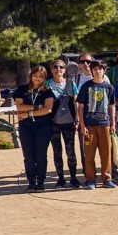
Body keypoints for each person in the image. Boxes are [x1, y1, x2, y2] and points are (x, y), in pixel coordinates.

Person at [76, 60, 117, 189]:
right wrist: (82, 124)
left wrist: (113, 124)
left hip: (105, 124)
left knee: (106, 153)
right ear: (92, 70)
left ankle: (106, 178)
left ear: (104, 71)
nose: (97, 71)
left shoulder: (109, 87)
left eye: (100, 69)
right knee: (89, 154)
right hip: (89, 125)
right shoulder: (86, 86)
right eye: (95, 69)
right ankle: (90, 179)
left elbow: (112, 107)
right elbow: (81, 107)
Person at [14, 65, 55, 192]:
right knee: (29, 156)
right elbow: (19, 107)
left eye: (40, 77)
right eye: (35, 75)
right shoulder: (22, 89)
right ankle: (31, 183)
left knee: (41, 156)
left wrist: (29, 113)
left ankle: (40, 183)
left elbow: (48, 109)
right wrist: (37, 107)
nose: (37, 78)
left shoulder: (47, 91)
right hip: (25, 127)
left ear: (44, 78)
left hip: (43, 127)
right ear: (31, 75)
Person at [47, 59, 81, 188]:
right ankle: (60, 178)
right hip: (53, 124)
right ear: (52, 70)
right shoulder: (47, 85)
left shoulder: (70, 84)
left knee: (70, 151)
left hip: (69, 123)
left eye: (61, 67)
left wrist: (77, 120)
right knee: (57, 151)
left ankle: (73, 178)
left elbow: (76, 103)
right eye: (55, 67)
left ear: (65, 70)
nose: (58, 69)